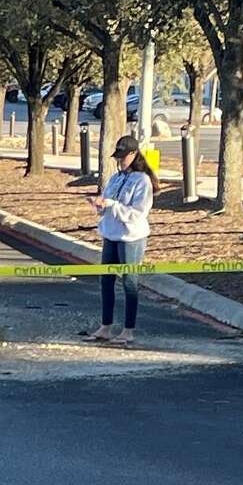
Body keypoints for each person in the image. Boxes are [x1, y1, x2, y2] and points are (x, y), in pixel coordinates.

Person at [83, 134, 157, 346]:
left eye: (123, 157)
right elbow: (106, 207)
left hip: (130, 237)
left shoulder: (141, 180)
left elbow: (137, 213)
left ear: (134, 155)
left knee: (129, 282)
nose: (120, 160)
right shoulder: (115, 178)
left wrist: (111, 205)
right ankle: (105, 327)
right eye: (118, 156)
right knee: (106, 280)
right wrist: (98, 204)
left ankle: (128, 329)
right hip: (111, 234)